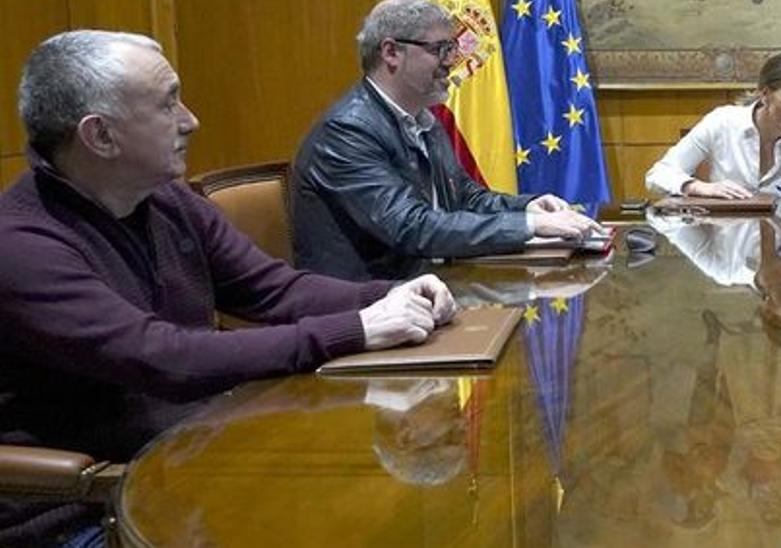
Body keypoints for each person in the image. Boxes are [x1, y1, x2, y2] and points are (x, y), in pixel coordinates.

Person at [0, 30, 457, 545]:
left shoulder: (166, 202)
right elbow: (162, 359)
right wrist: (355, 329)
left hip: (194, 462)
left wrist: (392, 294)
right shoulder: (19, 244)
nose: (190, 120)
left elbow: (275, 291)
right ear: (100, 136)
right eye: (168, 103)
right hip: (86, 509)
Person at [291, 0, 601, 281]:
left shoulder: (423, 118)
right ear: (391, 52)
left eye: (452, 49)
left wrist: (529, 208)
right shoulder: (347, 131)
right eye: (440, 49)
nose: (451, 61)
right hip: (365, 307)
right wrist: (528, 228)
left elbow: (467, 198)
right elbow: (412, 228)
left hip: (426, 289)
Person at [644, 50, 781, 200]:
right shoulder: (722, 122)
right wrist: (698, 187)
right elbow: (657, 176)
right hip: (728, 245)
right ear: (765, 93)